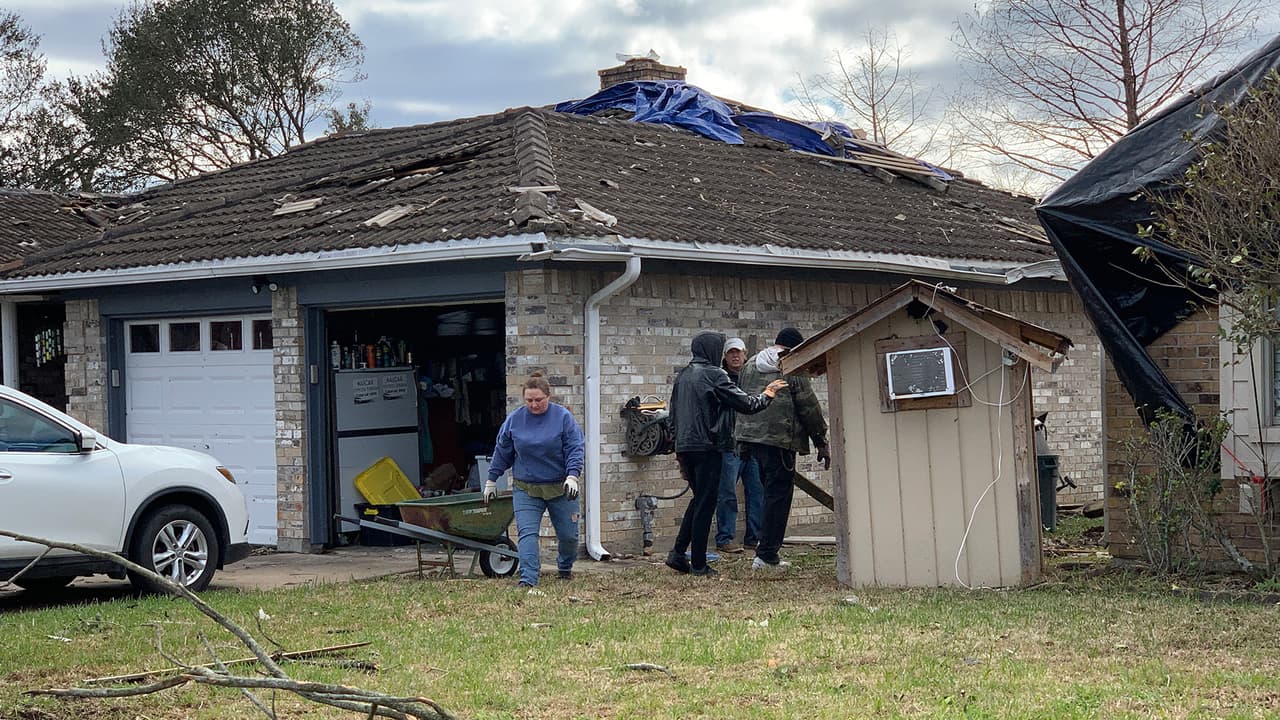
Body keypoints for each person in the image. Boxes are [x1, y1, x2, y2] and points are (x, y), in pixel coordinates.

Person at [667, 332, 787, 577]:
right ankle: (698, 564)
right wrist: (768, 393)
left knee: (699, 499)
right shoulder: (715, 374)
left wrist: (677, 449)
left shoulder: (683, 376)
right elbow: (747, 404)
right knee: (705, 504)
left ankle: (678, 553)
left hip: (685, 447)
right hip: (709, 446)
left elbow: (672, 415)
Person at [735, 327, 831, 572]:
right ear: (794, 348)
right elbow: (808, 406)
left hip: (749, 439)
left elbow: (741, 397)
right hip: (778, 440)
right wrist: (821, 440)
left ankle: (762, 549)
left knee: (766, 494)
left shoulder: (750, 364)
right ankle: (767, 556)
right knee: (778, 497)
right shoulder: (791, 365)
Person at [483, 373, 584, 588]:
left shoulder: (563, 418)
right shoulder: (514, 420)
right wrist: (491, 480)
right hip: (526, 488)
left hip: (561, 487)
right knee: (527, 534)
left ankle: (565, 567)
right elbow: (502, 451)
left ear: (548, 396)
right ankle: (528, 579)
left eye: (538, 400)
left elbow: (575, 448)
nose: (534, 404)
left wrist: (573, 476)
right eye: (529, 400)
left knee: (569, 537)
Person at [715, 337, 764, 554]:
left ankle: (754, 538)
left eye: (739, 352)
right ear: (725, 357)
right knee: (727, 492)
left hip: (752, 443)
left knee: (757, 491)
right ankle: (725, 538)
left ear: (745, 355)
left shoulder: (753, 377)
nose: (735, 356)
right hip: (730, 443)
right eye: (731, 352)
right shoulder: (720, 379)